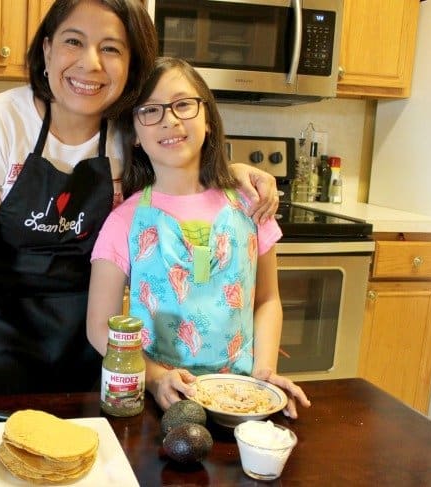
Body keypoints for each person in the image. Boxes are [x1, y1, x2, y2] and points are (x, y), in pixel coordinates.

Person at [0, 0, 279, 395]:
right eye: (74, 41)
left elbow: (181, 164)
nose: (91, 63)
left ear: (131, 64)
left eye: (110, 48)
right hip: (1, 331)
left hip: (92, 341)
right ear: (47, 49)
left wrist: (235, 175)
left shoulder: (128, 131)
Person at [86, 57, 310, 418]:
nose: (169, 120)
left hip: (243, 398)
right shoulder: (123, 221)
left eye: (183, 104)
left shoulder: (250, 203)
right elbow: (99, 326)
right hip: (162, 403)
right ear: (135, 134)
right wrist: (157, 378)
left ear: (208, 119)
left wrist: (264, 376)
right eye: (151, 110)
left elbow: (267, 299)